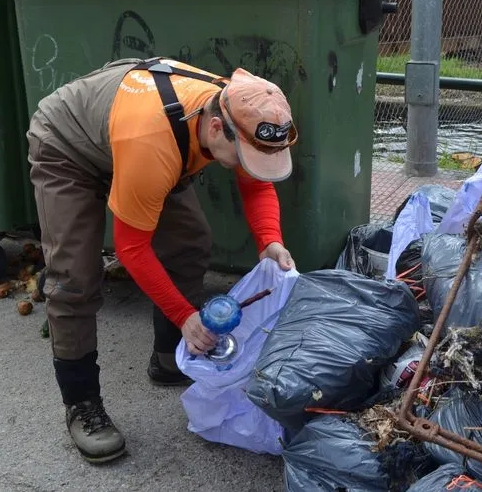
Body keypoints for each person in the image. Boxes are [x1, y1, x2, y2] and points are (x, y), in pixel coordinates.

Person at [26, 56, 299, 464]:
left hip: (141, 138)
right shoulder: (154, 142)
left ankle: (170, 356)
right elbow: (131, 248)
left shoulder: (245, 107)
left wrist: (269, 241)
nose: (246, 166)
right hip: (71, 148)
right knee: (74, 279)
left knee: (189, 242)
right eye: (242, 156)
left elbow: (256, 184)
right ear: (214, 128)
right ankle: (81, 404)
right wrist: (186, 315)